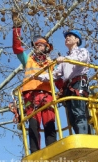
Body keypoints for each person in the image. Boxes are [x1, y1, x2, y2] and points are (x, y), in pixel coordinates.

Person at [11, 17, 56, 153]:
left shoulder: (52, 63)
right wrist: (17, 28)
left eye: (40, 45)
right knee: (33, 125)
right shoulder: (28, 60)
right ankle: (35, 152)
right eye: (36, 45)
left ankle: (52, 152)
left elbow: (59, 80)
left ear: (47, 48)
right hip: (30, 96)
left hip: (47, 96)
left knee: (50, 125)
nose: (37, 47)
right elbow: (17, 48)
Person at [36, 30, 90, 134]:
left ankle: (85, 136)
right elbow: (55, 74)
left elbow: (82, 59)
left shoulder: (82, 51)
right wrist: (39, 77)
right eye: (66, 37)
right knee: (71, 116)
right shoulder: (64, 59)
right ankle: (80, 136)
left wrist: (65, 59)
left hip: (79, 83)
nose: (67, 38)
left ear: (77, 40)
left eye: (70, 36)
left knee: (78, 111)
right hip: (69, 87)